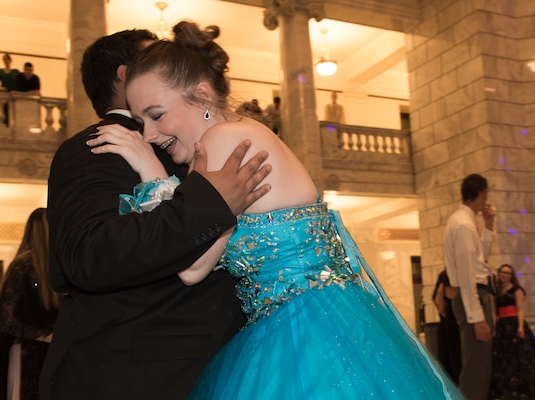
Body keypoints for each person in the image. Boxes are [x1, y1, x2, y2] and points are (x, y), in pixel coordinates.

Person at [89, 21, 462, 399]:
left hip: (301, 330)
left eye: (156, 115)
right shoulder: (244, 132)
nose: (149, 135)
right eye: (140, 123)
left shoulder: (223, 142)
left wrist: (147, 167)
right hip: (325, 318)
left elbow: (191, 267)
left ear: (202, 97)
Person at [39, 29, 272, 400]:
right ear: (127, 74)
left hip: (233, 361)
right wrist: (212, 204)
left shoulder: (212, 137)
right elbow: (90, 253)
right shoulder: (98, 146)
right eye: (160, 56)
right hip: (149, 374)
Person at [0, 208, 59, 400]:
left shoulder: (50, 267)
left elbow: (8, 318)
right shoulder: (25, 267)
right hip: (30, 352)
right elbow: (8, 319)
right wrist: (45, 335)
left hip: (43, 351)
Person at [444, 173, 495, 400]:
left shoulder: (464, 221)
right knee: (475, 372)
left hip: (472, 296)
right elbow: (467, 275)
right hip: (472, 298)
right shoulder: (463, 224)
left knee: (479, 370)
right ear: (482, 193)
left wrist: (489, 227)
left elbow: (478, 259)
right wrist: (478, 317)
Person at [488, 264, 535, 399]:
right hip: (502, 325)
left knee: (519, 356)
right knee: (504, 357)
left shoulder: (516, 289)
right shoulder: (495, 291)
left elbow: (520, 309)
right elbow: (493, 312)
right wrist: (494, 329)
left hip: (514, 324)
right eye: (503, 272)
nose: (505, 275)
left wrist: (520, 327)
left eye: (508, 273)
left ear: (511, 275)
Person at [432, 269, 462, 383]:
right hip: (451, 326)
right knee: (451, 359)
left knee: (450, 360)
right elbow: (442, 310)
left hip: (449, 326)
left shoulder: (444, 290)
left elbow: (441, 310)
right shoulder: (446, 289)